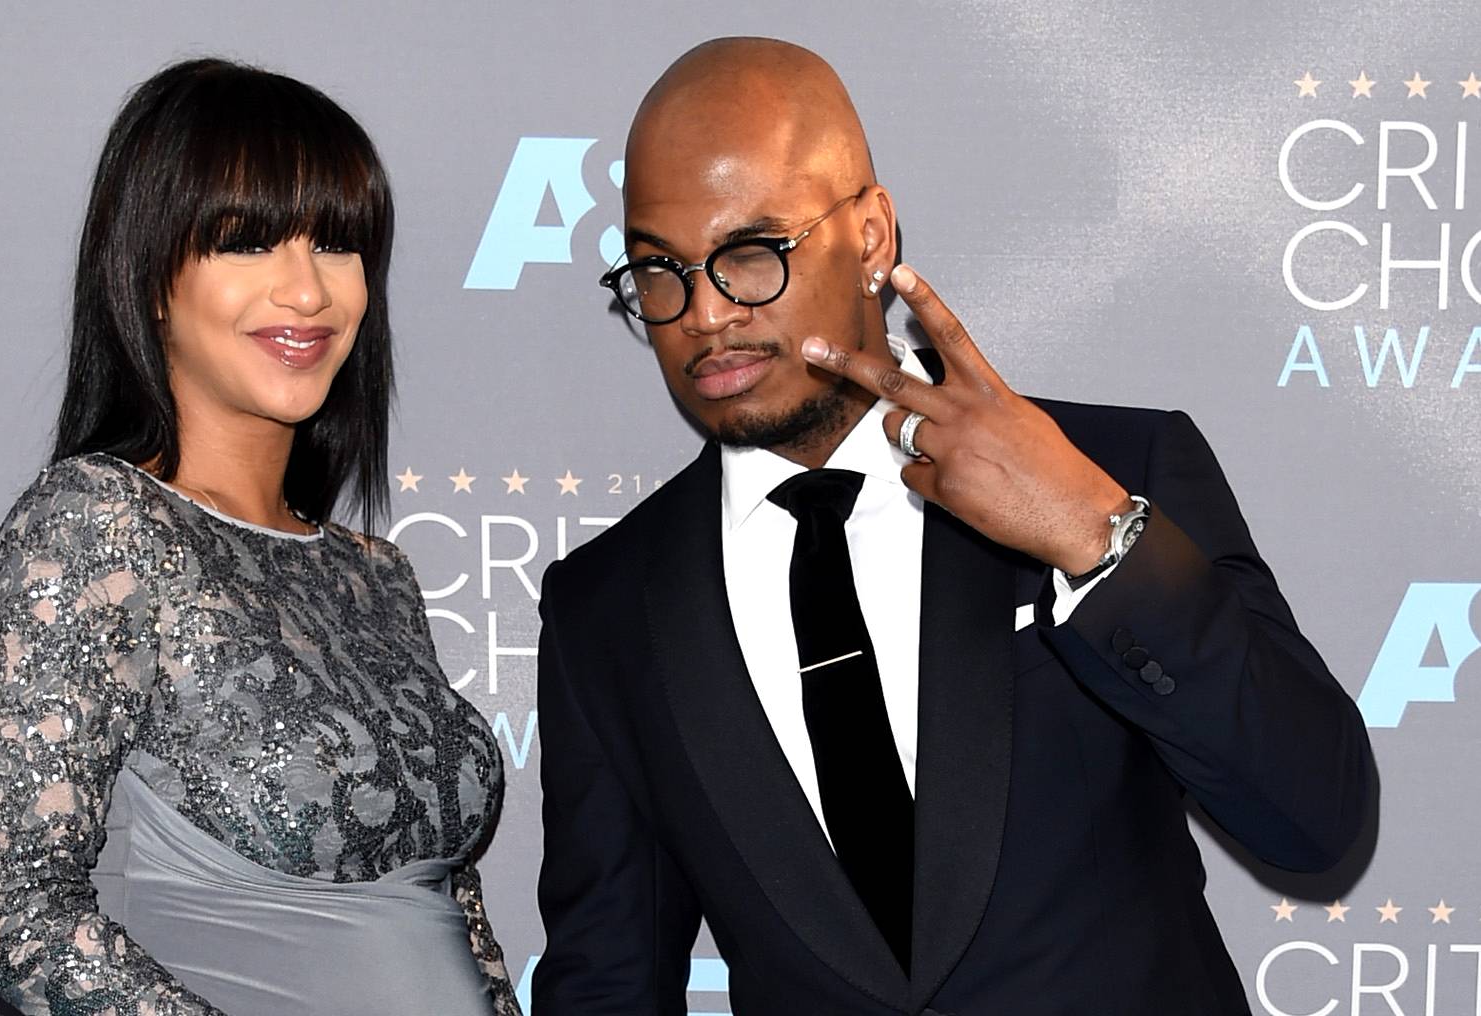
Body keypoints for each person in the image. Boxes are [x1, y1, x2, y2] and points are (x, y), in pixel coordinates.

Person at [533, 37, 1374, 1016]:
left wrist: (1099, 540)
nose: (704, 314)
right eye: (658, 271)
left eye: (750, 255)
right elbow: (606, 977)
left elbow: (1315, 817)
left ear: (872, 237)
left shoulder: (1113, 468)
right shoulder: (608, 607)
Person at [0, 58, 518, 1016]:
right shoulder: (98, 526)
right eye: (248, 244)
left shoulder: (375, 577)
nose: (307, 292)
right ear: (150, 276)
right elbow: (8, 911)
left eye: (337, 245)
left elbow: (453, 910)